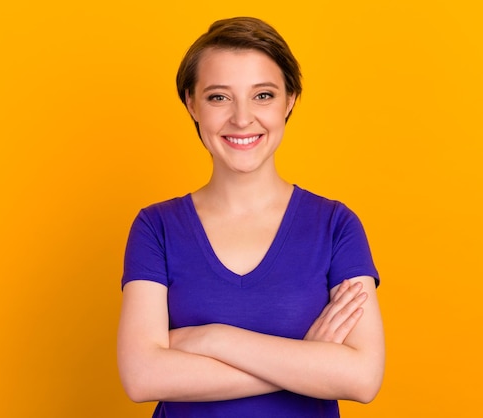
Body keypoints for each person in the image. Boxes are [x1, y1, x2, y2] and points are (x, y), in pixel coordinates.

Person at [117, 17, 385, 418]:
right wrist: (309, 362)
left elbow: (362, 378)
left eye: (263, 95)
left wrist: (213, 339)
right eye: (219, 97)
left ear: (290, 100)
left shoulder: (335, 226)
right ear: (191, 103)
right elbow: (142, 377)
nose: (242, 119)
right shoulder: (155, 228)